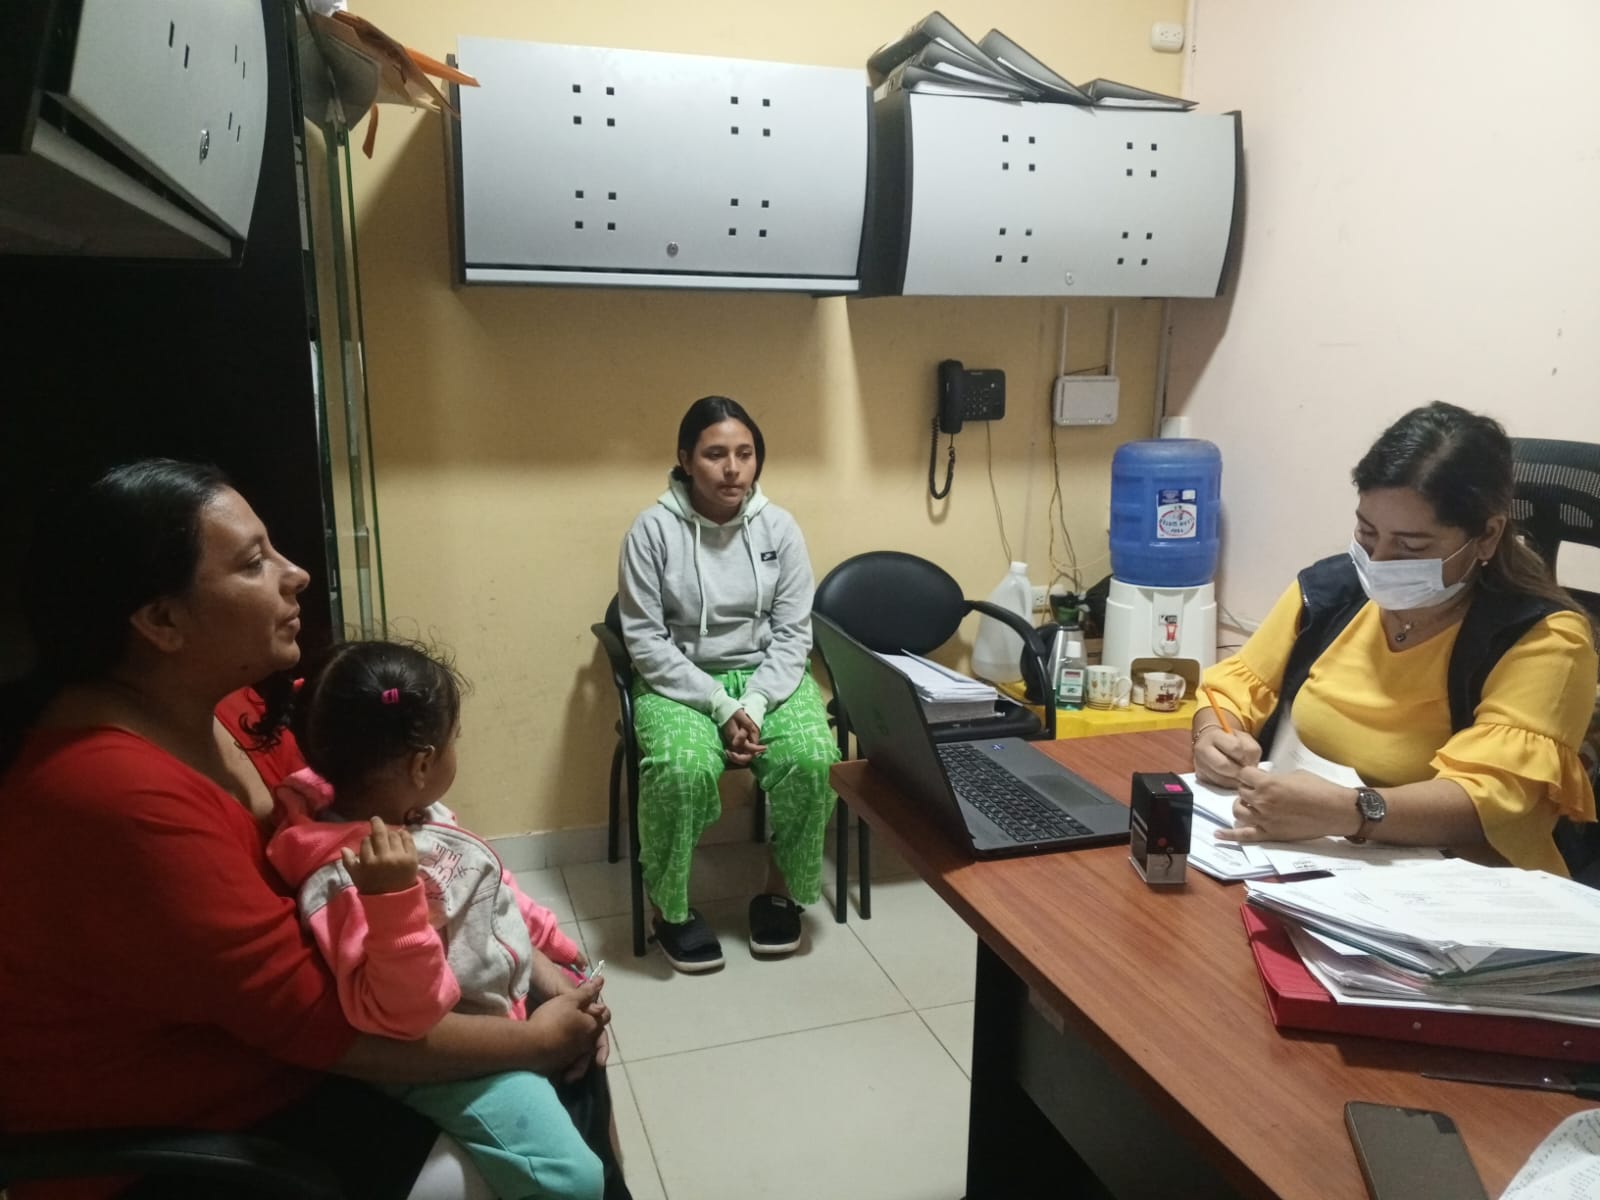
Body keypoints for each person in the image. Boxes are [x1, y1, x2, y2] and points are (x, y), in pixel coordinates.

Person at [0, 460, 628, 1200]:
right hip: (191, 1136)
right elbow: (329, 1030)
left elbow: (370, 842)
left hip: (307, 1046)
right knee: (562, 1156)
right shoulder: (113, 801)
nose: (295, 575)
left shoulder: (228, 708)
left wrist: (538, 971)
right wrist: (533, 1040)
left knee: (576, 1078)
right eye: (253, 562)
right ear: (162, 621)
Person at [1192, 403, 1597, 873]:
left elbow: (1490, 800)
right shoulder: (1330, 593)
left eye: (1410, 547)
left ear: (1487, 536)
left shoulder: (1546, 641)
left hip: (1459, 883)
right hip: (1308, 861)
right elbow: (1231, 690)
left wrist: (1351, 812)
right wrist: (1214, 735)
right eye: (1367, 532)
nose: (1379, 562)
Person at [267, 639, 604, 1200]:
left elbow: (489, 885)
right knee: (575, 1179)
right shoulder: (350, 878)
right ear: (422, 763)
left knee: (589, 1070)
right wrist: (393, 902)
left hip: (494, 1004)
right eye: (455, 740)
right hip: (453, 1058)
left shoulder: (416, 813)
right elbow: (406, 1016)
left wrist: (556, 950)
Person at [617, 396, 839, 972]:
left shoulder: (779, 527)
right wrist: (719, 704)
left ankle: (779, 892)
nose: (733, 469)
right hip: (681, 681)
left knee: (814, 758)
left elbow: (793, 633)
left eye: (745, 454)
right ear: (685, 459)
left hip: (769, 679)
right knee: (682, 768)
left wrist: (756, 704)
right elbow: (645, 641)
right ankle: (669, 910)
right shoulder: (651, 531)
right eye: (715, 454)